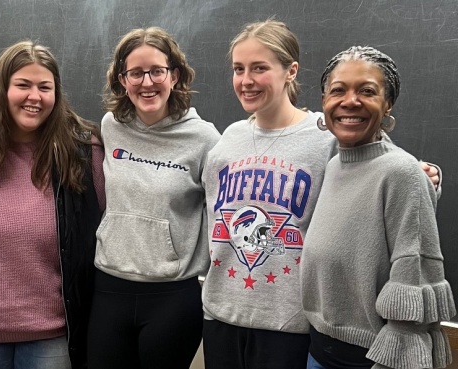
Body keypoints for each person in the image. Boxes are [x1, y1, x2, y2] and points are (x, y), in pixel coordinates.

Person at [200, 20, 442, 369]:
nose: (247, 80)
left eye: (260, 68)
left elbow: (382, 167)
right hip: (221, 313)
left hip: (291, 323)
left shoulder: (326, 133)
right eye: (239, 69)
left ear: (290, 71)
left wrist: (429, 177)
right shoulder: (227, 139)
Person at [0, 41, 104, 369]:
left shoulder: (83, 152)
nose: (35, 97)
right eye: (23, 85)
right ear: (2, 88)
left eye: (45, 87)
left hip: (53, 336)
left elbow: (105, 230)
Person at [301, 45, 455, 369]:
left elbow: (411, 282)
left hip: (367, 360)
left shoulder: (402, 173)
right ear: (324, 102)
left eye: (367, 91)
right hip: (317, 351)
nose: (350, 101)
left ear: (387, 106)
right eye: (338, 90)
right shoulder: (333, 166)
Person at [86, 27, 221, 369]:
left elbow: (221, 216)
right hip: (108, 289)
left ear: (174, 76)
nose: (147, 82)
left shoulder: (204, 138)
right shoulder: (110, 126)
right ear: (122, 80)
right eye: (136, 72)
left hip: (172, 295)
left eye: (157, 71)